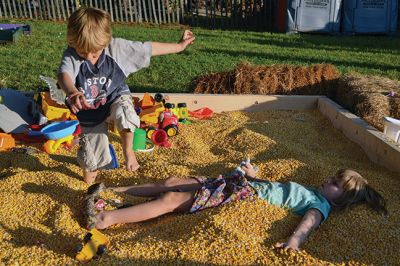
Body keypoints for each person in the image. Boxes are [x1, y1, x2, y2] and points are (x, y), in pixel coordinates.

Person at [86, 162, 387, 250]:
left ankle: (106, 219)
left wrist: (294, 241)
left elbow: (307, 224)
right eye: (334, 176)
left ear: (339, 200)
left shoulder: (320, 206)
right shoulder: (311, 190)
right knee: (173, 181)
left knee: (172, 199)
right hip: (240, 184)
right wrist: (257, 176)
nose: (328, 179)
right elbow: (278, 190)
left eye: (335, 183)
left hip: (241, 199)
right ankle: (113, 189)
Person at [57, 7, 195, 184]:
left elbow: (147, 49)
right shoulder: (71, 55)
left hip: (115, 96)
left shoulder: (116, 48)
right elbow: (64, 75)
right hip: (89, 110)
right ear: (72, 42)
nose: (90, 57)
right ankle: (88, 183)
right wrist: (72, 92)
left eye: (95, 52)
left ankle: (128, 151)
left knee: (127, 115)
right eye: (83, 52)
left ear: (106, 41)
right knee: (92, 159)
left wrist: (179, 46)